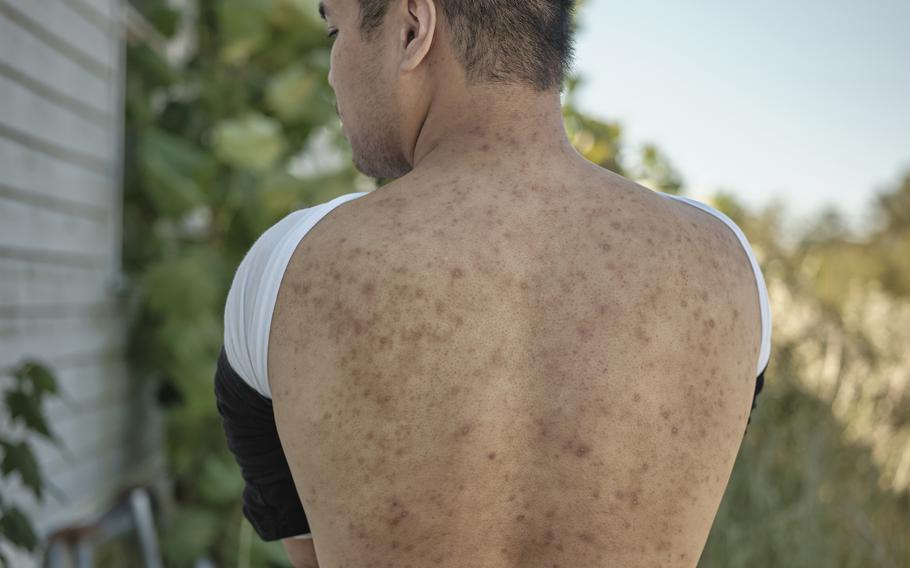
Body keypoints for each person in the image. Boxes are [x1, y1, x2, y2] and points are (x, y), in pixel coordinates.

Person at [214, 0, 771, 566]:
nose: (333, 69)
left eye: (337, 29)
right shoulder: (726, 270)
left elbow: (307, 544)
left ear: (413, 26)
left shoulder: (290, 267)